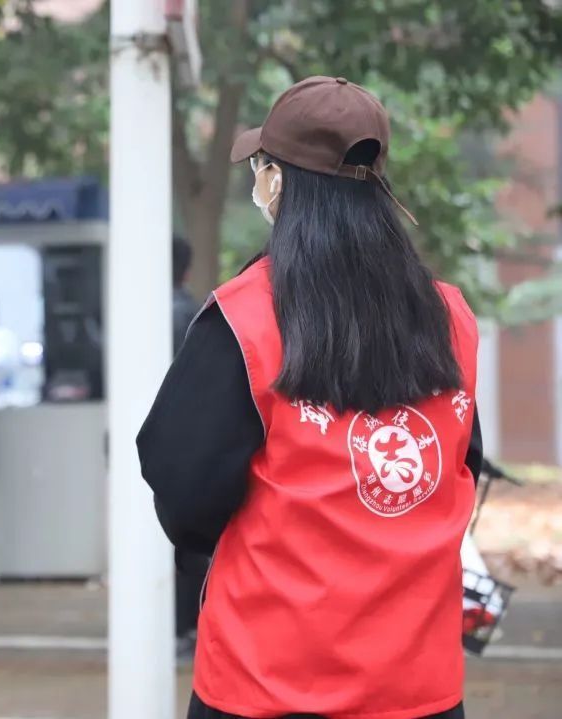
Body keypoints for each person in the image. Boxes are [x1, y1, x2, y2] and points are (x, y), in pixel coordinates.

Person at [138, 76, 483, 719]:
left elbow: (182, 483)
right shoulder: (450, 317)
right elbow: (460, 465)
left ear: (276, 183)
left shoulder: (244, 321)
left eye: (260, 167)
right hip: (416, 686)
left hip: (264, 682)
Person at [170, 236, 209, 662]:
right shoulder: (194, 313)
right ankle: (187, 626)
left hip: (146, 438)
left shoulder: (134, 309)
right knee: (187, 541)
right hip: (188, 439)